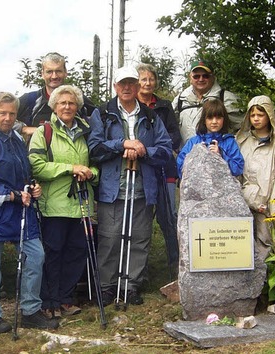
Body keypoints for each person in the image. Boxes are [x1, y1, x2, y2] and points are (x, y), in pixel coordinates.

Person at [0, 92, 59, 333]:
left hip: (20, 210)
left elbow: (23, 173)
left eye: (12, 113)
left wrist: (31, 187)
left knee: (35, 256)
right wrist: (12, 195)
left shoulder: (17, 138)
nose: (7, 118)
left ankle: (30, 310)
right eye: (2, 113)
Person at [88, 66, 172, 306]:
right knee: (110, 239)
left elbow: (166, 150)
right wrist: (121, 144)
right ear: (115, 86)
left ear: (137, 86)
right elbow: (94, 148)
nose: (126, 87)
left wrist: (145, 150)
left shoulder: (151, 116)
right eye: (122, 83)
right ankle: (106, 286)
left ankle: (131, 285)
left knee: (139, 239)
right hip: (112, 189)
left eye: (131, 83)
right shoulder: (102, 113)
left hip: (143, 189)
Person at [28, 85, 98, 318]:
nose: (67, 107)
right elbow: (36, 165)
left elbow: (97, 163)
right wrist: (70, 168)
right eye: (62, 103)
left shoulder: (88, 131)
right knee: (53, 252)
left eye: (71, 103)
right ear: (54, 106)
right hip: (54, 204)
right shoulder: (44, 132)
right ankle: (49, 301)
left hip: (81, 204)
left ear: (78, 106)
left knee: (77, 252)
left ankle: (66, 299)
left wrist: (91, 173)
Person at [136, 63, 182, 273]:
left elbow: (174, 135)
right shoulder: (130, 105)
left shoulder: (164, 106)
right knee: (142, 217)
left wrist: (151, 148)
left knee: (168, 216)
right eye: (143, 79)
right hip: (138, 169)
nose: (147, 83)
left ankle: (175, 262)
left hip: (165, 167)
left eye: (151, 79)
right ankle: (141, 268)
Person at [235, 95, 275, 261]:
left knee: (265, 241)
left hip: (265, 204)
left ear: (269, 116)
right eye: (252, 115)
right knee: (242, 241)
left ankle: (263, 280)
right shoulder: (242, 140)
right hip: (244, 201)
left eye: (260, 115)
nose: (256, 119)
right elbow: (236, 173)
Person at [16, 52, 95, 139]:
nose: (54, 76)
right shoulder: (30, 100)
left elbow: (101, 120)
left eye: (58, 71)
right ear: (42, 74)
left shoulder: (78, 99)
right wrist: (24, 129)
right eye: (49, 71)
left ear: (65, 72)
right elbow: (0, 117)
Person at [172, 60, 243, 143]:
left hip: (219, 154)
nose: (201, 79)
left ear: (213, 77)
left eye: (205, 76)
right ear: (190, 78)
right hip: (185, 154)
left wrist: (229, 148)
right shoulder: (180, 100)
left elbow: (243, 128)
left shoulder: (226, 98)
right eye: (196, 76)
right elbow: (170, 128)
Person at [177, 99, 244, 178]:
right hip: (198, 187)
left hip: (223, 188)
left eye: (218, 118)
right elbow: (180, 168)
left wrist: (221, 155)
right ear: (204, 120)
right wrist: (196, 155)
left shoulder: (229, 142)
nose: (214, 121)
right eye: (210, 118)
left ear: (224, 119)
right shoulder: (194, 142)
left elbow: (238, 168)